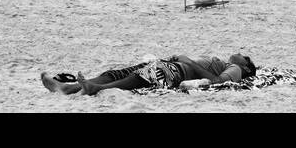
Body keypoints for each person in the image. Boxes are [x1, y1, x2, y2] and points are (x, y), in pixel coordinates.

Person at [42, 54, 257, 96]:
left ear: (246, 68)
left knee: (143, 75)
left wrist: (188, 61)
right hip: (173, 65)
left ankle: (97, 88)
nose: (240, 53)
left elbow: (217, 81)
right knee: (119, 72)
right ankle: (68, 88)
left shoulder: (236, 70)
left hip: (178, 72)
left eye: (245, 57)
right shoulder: (230, 64)